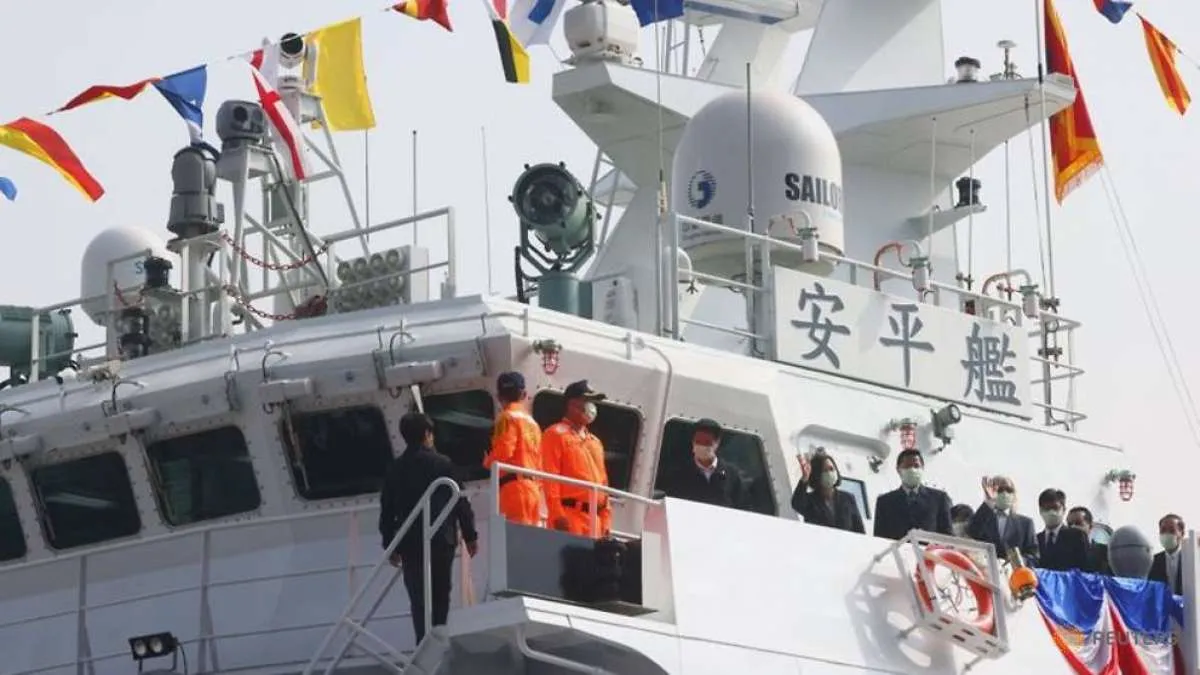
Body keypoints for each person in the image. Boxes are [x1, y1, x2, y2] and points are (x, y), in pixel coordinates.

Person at [378, 412, 479, 643]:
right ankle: (440, 644)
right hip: (441, 540)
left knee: (418, 598)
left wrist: (389, 543)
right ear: (427, 434)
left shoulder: (395, 468)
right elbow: (459, 500)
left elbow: (387, 509)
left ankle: (422, 645)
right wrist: (470, 534)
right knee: (441, 595)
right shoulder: (442, 463)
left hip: (410, 543)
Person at [541, 380, 611, 537]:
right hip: (570, 516)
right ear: (571, 404)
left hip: (596, 522)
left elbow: (604, 483)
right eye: (588, 401)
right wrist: (557, 514)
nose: (592, 407)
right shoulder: (555, 434)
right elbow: (550, 478)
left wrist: (606, 519)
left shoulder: (595, 442)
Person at [485, 371, 544, 526]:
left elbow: (504, 451)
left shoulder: (506, 417)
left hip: (514, 489)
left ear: (498, 397)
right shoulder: (533, 424)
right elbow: (539, 460)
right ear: (524, 394)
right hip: (533, 490)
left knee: (516, 541)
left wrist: (487, 461)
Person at [872, 449, 952, 540]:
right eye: (907, 466)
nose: (912, 470)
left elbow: (947, 535)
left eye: (916, 466)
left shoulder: (939, 498)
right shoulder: (885, 502)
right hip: (897, 552)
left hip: (928, 553)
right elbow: (879, 538)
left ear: (922, 468)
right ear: (898, 470)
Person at [669, 418, 746, 509]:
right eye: (698, 441)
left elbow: (743, 508)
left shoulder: (732, 475)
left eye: (707, 442)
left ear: (717, 443)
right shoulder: (680, 474)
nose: (702, 446)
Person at [967, 475, 1037, 563]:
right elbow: (972, 532)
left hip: (1013, 573)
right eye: (1000, 490)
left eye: (1009, 490)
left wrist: (1020, 560)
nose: (1005, 493)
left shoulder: (1026, 524)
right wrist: (989, 502)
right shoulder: (983, 517)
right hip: (987, 571)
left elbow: (1034, 555)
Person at [791, 449, 864, 533]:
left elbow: (859, 530)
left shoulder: (847, 498)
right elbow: (796, 504)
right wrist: (805, 478)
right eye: (825, 470)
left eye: (831, 469)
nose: (829, 473)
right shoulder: (810, 500)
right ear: (817, 474)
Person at [1032, 488, 1088, 571]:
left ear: (1064, 509)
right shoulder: (1035, 540)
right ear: (1040, 511)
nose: (1051, 512)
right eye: (1046, 508)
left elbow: (1085, 568)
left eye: (1055, 508)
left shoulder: (1077, 536)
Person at [1067, 506, 1110, 575]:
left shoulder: (1103, 552)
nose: (1073, 527)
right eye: (1069, 524)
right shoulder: (1062, 552)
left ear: (1090, 526)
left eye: (1078, 523)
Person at [1149, 513, 1185, 595]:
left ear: (1182, 534)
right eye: (1163, 530)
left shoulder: (1191, 560)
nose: (1167, 534)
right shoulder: (1152, 561)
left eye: (1172, 530)